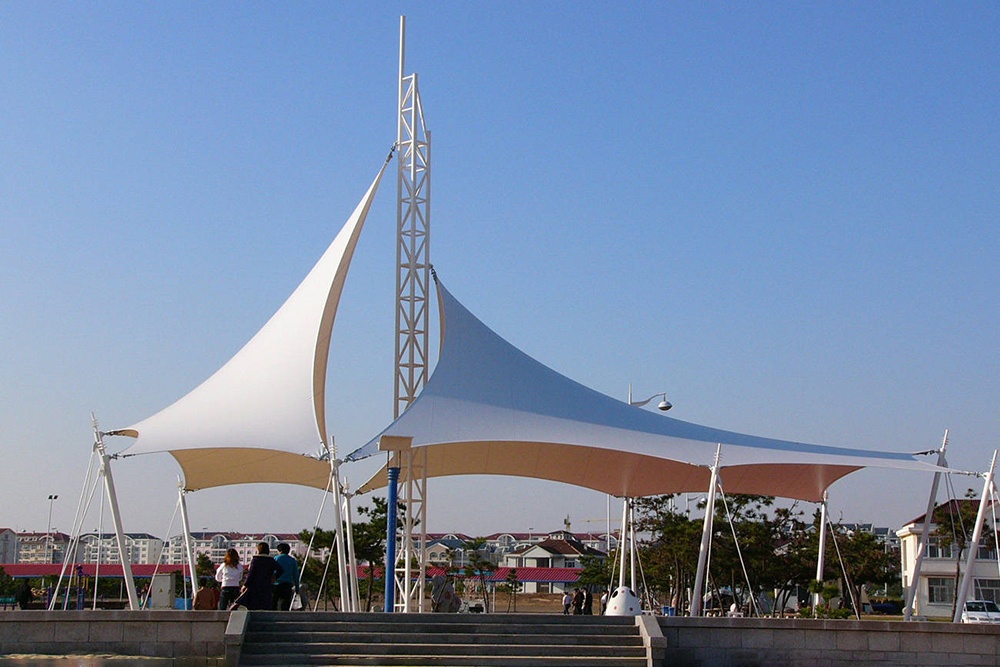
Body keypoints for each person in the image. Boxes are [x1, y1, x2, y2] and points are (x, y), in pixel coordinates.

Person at [231, 542, 283, 610]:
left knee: (252, 604)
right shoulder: (271, 560)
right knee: (265, 604)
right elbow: (280, 570)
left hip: (255, 585)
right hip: (266, 585)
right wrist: (274, 577)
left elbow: (251, 574)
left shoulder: (256, 560)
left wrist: (245, 585)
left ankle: (236, 605)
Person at [272, 542, 300, 611]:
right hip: (287, 585)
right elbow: (296, 575)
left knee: (273, 603)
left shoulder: (276, 558)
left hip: (276, 584)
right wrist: (297, 587)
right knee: (285, 604)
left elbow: (272, 571)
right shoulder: (292, 560)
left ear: (280, 551)